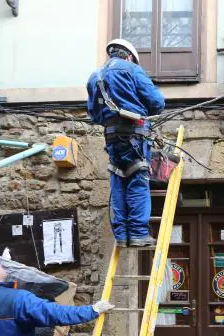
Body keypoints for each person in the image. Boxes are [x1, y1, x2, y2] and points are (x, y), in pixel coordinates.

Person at [86, 38, 166, 247]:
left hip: (111, 137)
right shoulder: (132, 70)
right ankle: (139, 233)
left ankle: (122, 236)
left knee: (119, 180)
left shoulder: (95, 76)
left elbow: (94, 114)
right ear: (129, 56)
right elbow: (157, 103)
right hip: (135, 136)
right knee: (138, 179)